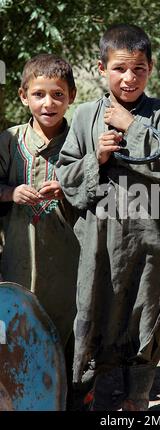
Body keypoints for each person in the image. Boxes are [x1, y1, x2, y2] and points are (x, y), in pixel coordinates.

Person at [55, 24, 160, 411]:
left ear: (150, 69)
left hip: (150, 236)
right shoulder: (83, 116)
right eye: (120, 69)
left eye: (139, 69)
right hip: (99, 238)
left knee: (145, 310)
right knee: (95, 309)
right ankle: (88, 397)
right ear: (101, 68)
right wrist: (96, 158)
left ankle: (138, 398)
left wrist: (133, 127)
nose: (129, 78)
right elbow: (66, 176)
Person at [0, 54, 80, 351]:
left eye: (58, 95)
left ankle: (70, 397)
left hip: (67, 264)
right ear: (23, 96)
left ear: (71, 96)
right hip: (16, 259)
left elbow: (97, 190)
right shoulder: (9, 141)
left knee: (64, 335)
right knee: (15, 335)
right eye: (39, 94)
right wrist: (11, 193)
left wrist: (68, 189)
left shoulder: (78, 143)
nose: (49, 103)